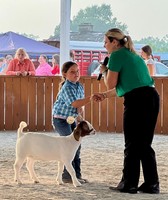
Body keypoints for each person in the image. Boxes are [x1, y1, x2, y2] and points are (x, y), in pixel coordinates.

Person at [93, 28, 160, 194]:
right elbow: (127, 86)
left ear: (114, 42)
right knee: (144, 144)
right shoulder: (133, 55)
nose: (104, 45)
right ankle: (152, 184)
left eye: (106, 42)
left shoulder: (116, 55)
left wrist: (105, 70)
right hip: (150, 97)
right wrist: (104, 96)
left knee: (132, 143)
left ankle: (129, 183)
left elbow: (111, 84)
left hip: (138, 101)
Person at [52, 61, 93, 183]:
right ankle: (68, 175)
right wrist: (90, 99)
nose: (76, 74)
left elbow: (79, 104)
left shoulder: (79, 86)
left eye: (78, 71)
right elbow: (75, 103)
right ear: (64, 74)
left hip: (71, 118)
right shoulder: (67, 87)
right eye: (72, 72)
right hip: (60, 119)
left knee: (76, 145)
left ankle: (77, 175)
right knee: (68, 146)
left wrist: (79, 112)